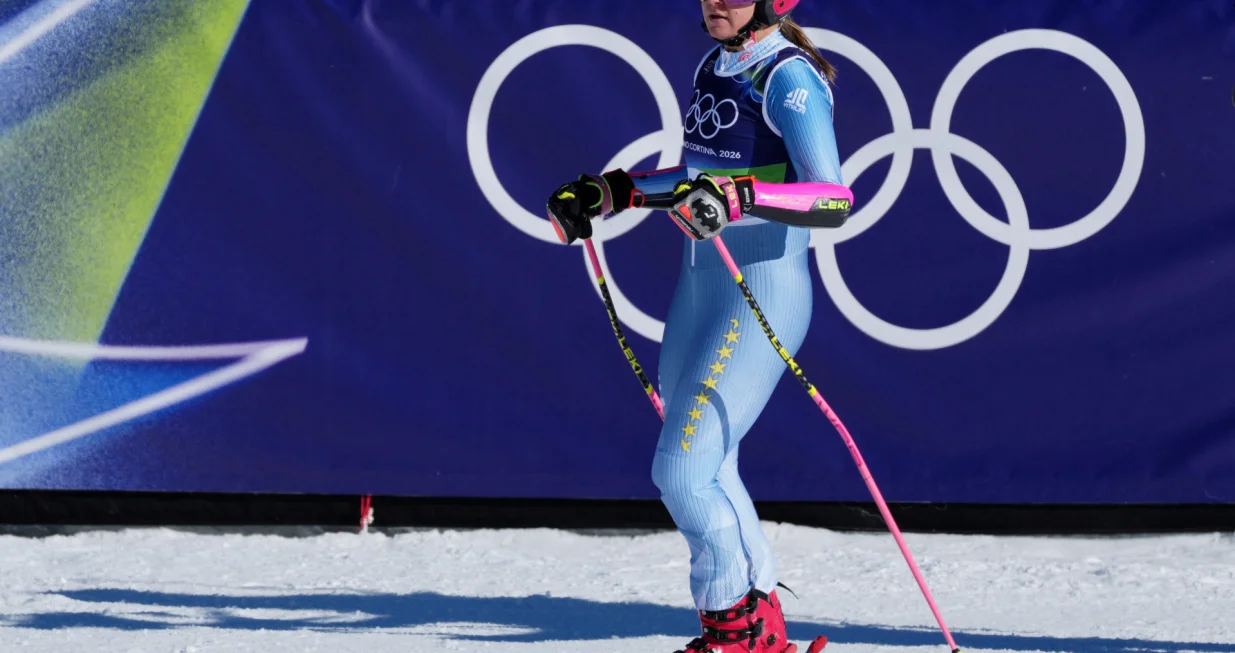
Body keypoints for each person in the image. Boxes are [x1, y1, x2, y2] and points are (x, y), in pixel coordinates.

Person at [545, 1, 843, 651]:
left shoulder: (786, 77)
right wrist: (614, 192)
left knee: (680, 470)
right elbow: (698, 175)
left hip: (759, 287)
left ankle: (731, 628)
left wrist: (744, 196)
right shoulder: (717, 61)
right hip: (701, 281)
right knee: (712, 461)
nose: (713, 0)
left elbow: (831, 197)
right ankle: (757, 620)